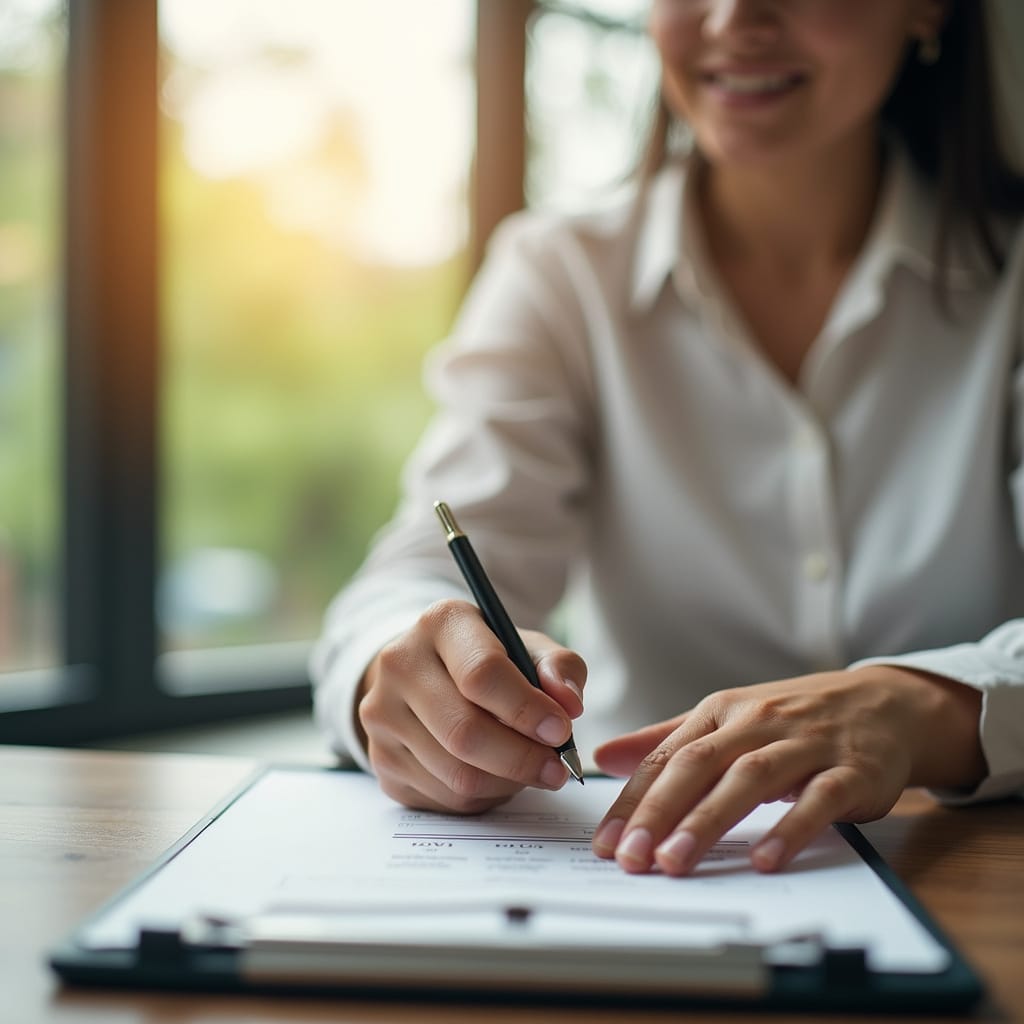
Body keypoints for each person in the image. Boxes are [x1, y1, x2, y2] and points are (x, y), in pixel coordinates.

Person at [311, 0, 1024, 877]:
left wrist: (920, 709)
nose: (734, 18)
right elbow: (413, 577)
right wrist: (401, 675)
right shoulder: (560, 272)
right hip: (640, 868)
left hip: (967, 877)